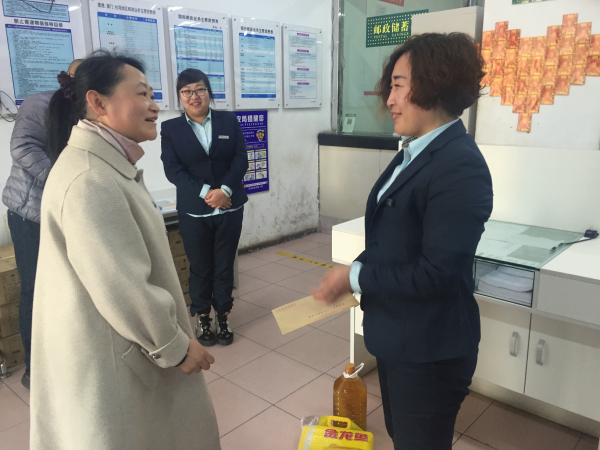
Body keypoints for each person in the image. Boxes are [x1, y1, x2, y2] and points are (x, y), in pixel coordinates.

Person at [31, 51, 220, 450]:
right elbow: (122, 285)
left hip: (120, 347)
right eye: (141, 94)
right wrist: (174, 346)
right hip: (118, 359)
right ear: (97, 102)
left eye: (152, 94)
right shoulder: (90, 180)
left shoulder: (103, 166)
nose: (154, 106)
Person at [313, 33, 493, 450]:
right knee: (402, 436)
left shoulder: (459, 165)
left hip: (430, 351)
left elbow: (437, 274)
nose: (388, 99)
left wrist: (355, 277)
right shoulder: (415, 150)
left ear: (433, 85)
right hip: (399, 337)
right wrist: (357, 268)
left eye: (397, 85)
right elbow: (391, 237)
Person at [2, 59, 81, 389]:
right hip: (30, 213)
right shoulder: (39, 104)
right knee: (35, 289)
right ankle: (34, 370)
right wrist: (62, 178)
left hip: (68, 211)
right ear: (66, 80)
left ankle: (65, 358)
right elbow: (22, 147)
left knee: (70, 289)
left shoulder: (89, 112)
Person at [161, 69, 248, 347]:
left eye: (199, 89)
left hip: (230, 208)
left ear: (209, 92)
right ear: (179, 96)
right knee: (200, 267)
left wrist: (225, 191)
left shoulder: (228, 121)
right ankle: (202, 316)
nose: (194, 96)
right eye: (187, 91)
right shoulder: (171, 129)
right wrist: (207, 193)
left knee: (224, 266)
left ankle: (223, 315)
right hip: (194, 212)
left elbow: (241, 159)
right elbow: (173, 170)